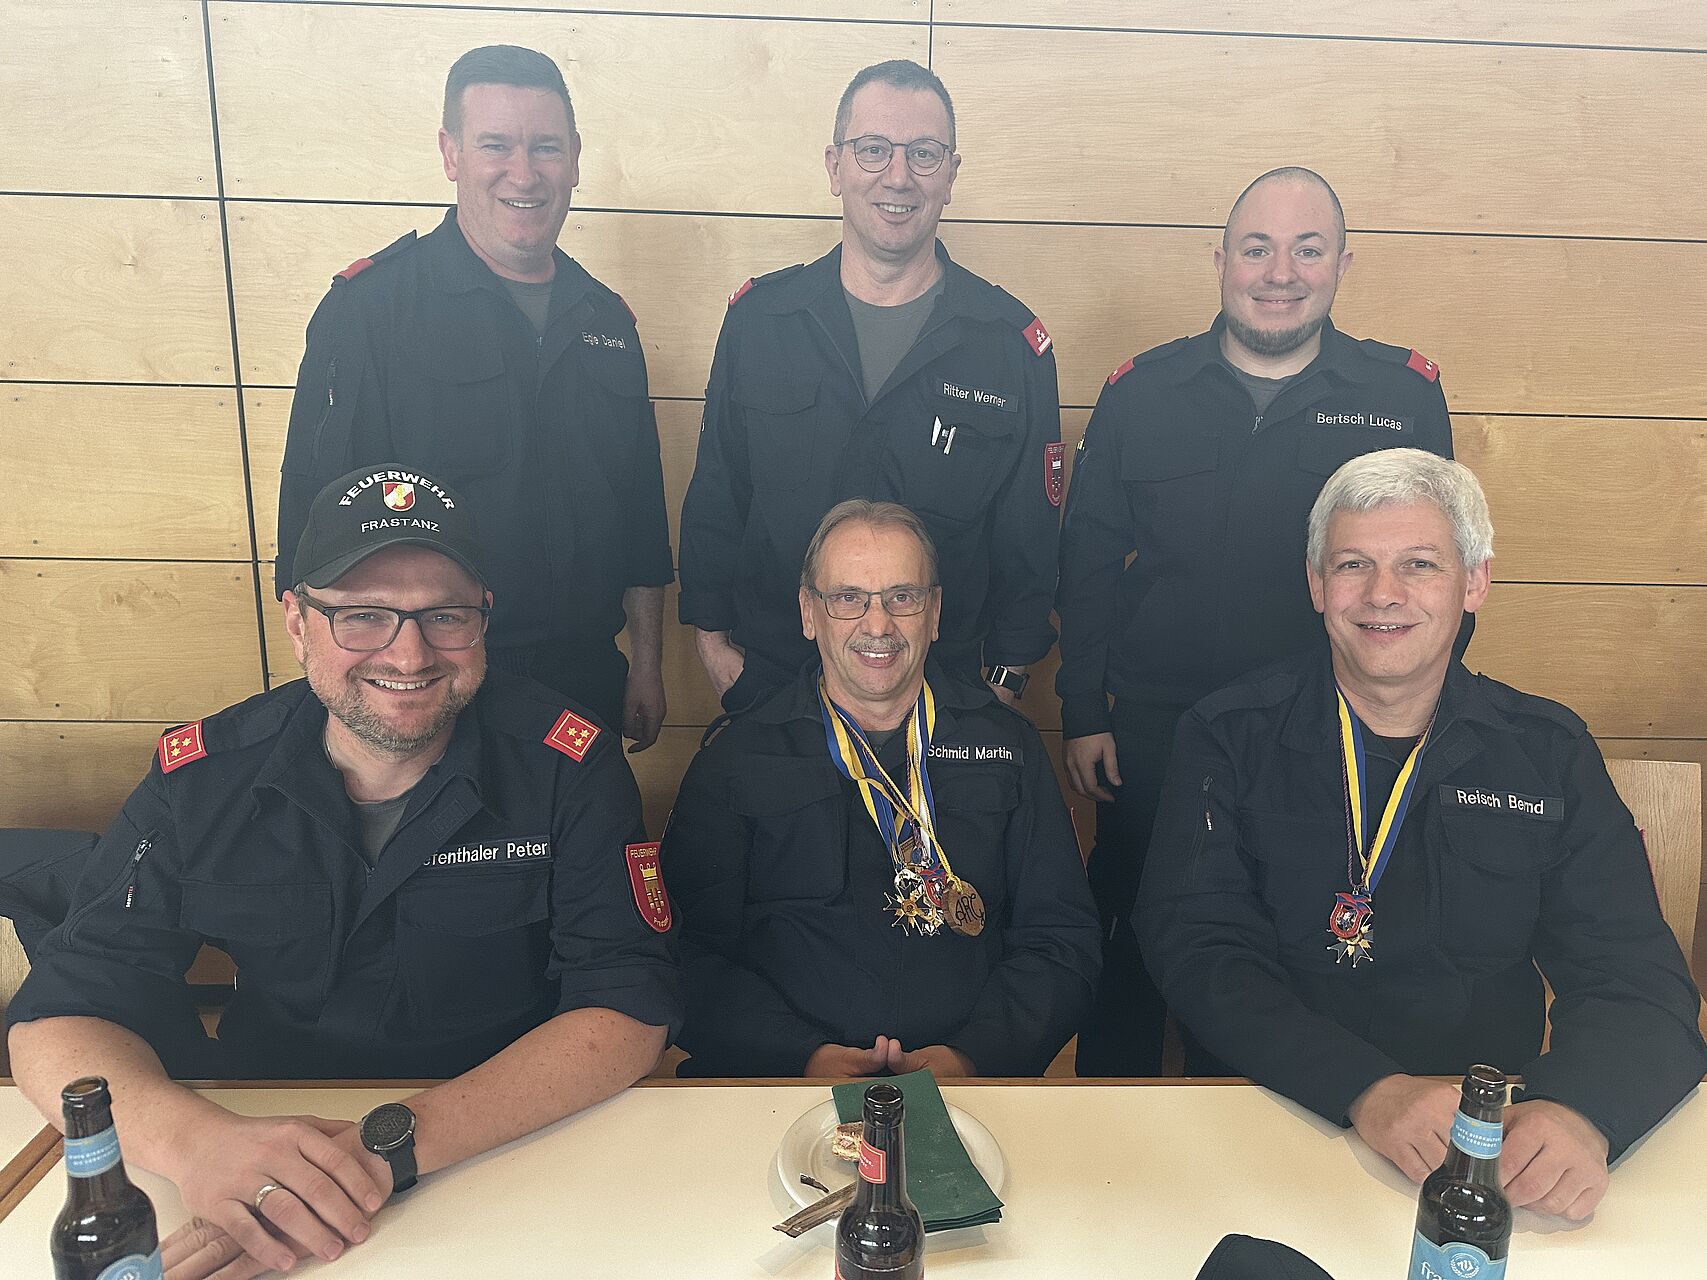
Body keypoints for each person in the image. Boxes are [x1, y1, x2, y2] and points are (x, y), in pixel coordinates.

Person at [8, 465, 680, 1276]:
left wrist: (372, 1156)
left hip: (501, 1138)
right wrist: (196, 1145)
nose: (409, 653)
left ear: (484, 619)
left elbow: (626, 1005)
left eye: (444, 616)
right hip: (255, 1137)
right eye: (362, 616)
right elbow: (61, 1014)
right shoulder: (202, 778)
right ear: (298, 623)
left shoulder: (566, 765)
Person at [1137, 448, 1706, 1220]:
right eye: (1352, 565)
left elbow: (1634, 978)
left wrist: (1580, 1111)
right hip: (1274, 1111)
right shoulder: (1226, 735)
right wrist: (1364, 1088)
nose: (1382, 594)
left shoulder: (1546, 751)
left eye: (1419, 564)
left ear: (1474, 582)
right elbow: (1197, 951)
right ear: (1315, 584)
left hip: (1483, 1143)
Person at [1055, 167, 1460, 1075]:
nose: (1279, 273)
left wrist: (1412, 722)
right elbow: (1086, 564)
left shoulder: (1400, 397)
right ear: (1220, 262)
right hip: (1155, 732)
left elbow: (1437, 563)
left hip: (1316, 736)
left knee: (1282, 947)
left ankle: (1256, 1122)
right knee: (1129, 938)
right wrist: (1082, 709)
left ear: (1341, 265)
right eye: (1257, 248)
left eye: (1306, 250)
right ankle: (1108, 1116)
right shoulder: (1141, 391)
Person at [275, 45, 672, 748]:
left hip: (582, 677)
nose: (523, 172)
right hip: (426, 679)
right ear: (451, 153)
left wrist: (646, 663)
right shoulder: (372, 311)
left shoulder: (606, 322)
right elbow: (314, 519)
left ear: (575, 159)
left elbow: (640, 518)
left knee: (588, 824)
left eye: (545, 147)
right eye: (496, 145)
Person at [679, 59, 1062, 715]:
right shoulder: (760, 322)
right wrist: (714, 647)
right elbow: (718, 495)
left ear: (950, 174)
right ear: (835, 167)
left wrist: (1004, 681)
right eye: (873, 149)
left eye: (923, 153)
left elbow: (1028, 541)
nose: (898, 176)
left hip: (944, 698)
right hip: (774, 687)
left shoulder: (1008, 346)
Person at [664, 500, 1099, 1077]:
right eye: (848, 598)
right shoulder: (736, 757)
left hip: (970, 1086)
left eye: (902, 597)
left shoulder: (1009, 747)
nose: (877, 625)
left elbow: (1062, 940)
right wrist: (797, 1056)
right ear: (809, 612)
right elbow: (682, 953)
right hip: (780, 1087)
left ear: (934, 612)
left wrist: (975, 1055)